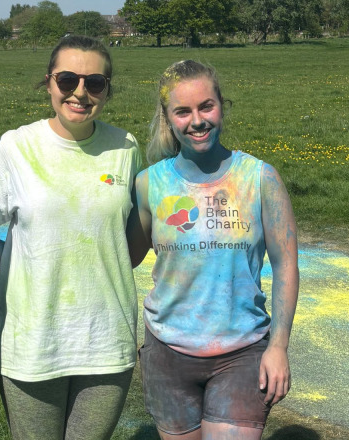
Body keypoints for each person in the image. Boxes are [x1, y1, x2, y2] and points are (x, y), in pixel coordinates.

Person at [127, 60, 299, 440]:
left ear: (222, 105)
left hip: (242, 350)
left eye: (206, 106)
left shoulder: (259, 177)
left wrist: (279, 346)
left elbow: (286, 265)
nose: (197, 120)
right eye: (183, 111)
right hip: (167, 353)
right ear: (167, 118)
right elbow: (127, 256)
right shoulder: (148, 184)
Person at [0, 35, 142, 440]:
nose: (80, 93)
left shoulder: (125, 148)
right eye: (67, 79)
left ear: (107, 89)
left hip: (107, 338)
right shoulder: (15, 147)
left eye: (94, 83)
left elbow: (126, 239)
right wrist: (22, 259)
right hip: (31, 338)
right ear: (49, 82)